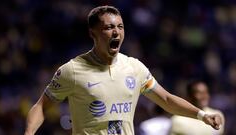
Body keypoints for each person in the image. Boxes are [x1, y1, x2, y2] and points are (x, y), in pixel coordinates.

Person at [24, 6, 222, 135]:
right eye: (109, 27)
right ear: (93, 33)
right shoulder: (72, 70)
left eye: (120, 26)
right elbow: (41, 106)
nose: (116, 32)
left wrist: (201, 115)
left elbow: (167, 100)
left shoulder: (134, 68)